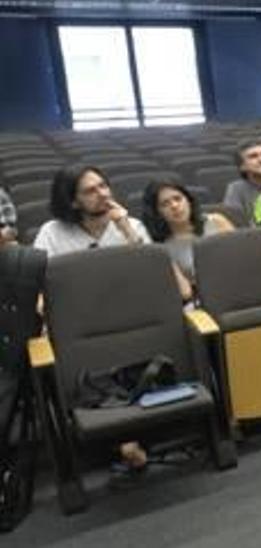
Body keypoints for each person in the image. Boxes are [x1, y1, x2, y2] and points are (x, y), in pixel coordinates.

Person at [32, 165, 161, 479]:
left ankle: (131, 431)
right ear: (73, 201)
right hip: (78, 323)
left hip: (131, 316)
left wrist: (126, 230)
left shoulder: (129, 224)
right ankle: (123, 438)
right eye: (91, 190)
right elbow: (39, 289)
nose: (103, 193)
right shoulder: (52, 232)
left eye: (104, 185)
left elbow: (151, 275)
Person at [140, 180, 235, 296]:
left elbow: (241, 257)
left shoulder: (217, 221)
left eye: (178, 199)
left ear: (188, 201)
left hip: (236, 282)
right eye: (165, 204)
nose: (174, 206)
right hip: (203, 297)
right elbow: (186, 293)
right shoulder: (163, 247)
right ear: (157, 213)